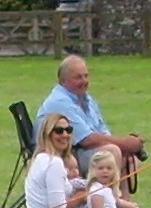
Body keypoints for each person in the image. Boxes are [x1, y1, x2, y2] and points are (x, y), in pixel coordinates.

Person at [37, 55, 144, 195]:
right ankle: (104, 202)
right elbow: (86, 139)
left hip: (79, 150)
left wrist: (126, 146)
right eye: (78, 77)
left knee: (128, 156)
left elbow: (103, 131)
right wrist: (125, 143)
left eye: (86, 76)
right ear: (63, 80)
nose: (84, 81)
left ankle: (123, 205)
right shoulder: (60, 101)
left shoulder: (86, 99)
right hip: (62, 155)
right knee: (112, 152)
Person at [24, 113, 90, 208]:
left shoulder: (39, 159)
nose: (65, 135)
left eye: (68, 130)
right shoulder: (54, 163)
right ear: (47, 135)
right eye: (59, 131)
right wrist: (82, 196)